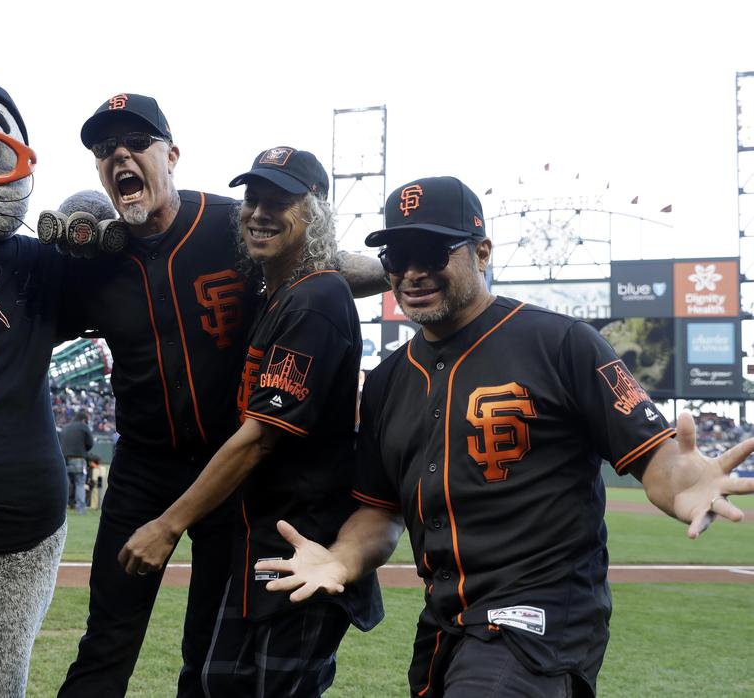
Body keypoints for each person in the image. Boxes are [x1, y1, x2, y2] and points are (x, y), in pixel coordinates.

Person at [256, 175, 754, 697]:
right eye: (396, 256)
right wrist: (341, 558)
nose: (412, 272)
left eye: (431, 250)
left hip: (540, 618)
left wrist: (685, 484)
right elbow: (380, 511)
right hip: (445, 623)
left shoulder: (563, 343)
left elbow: (656, 456)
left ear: (483, 252)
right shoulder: (386, 381)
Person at [58, 96, 388, 697]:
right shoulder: (92, 254)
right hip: (142, 463)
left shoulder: (230, 223)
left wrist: (407, 273)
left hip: (226, 469)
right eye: (106, 151)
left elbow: (320, 260)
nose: (120, 156)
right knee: (106, 638)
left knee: (206, 649)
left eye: (137, 142)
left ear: (172, 154)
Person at [61, 409, 95, 515]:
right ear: (84, 420)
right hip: (79, 459)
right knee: (80, 484)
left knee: (66, 485)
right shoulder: (83, 426)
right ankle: (80, 510)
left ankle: (62, 510)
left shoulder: (65, 427)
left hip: (64, 460)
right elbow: (90, 443)